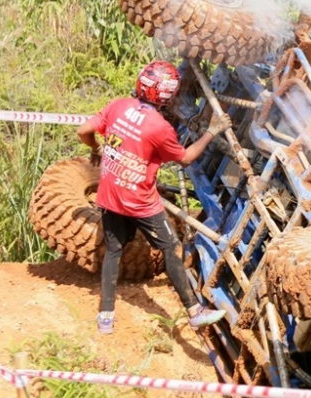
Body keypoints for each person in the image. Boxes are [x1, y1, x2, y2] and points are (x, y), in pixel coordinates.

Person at [77, 59, 232, 335]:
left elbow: (83, 131)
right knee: (170, 247)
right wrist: (212, 130)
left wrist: (97, 149)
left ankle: (106, 317)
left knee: (114, 251)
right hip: (140, 202)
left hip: (110, 193)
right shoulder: (160, 128)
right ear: (169, 95)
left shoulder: (119, 106)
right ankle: (194, 311)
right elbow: (186, 158)